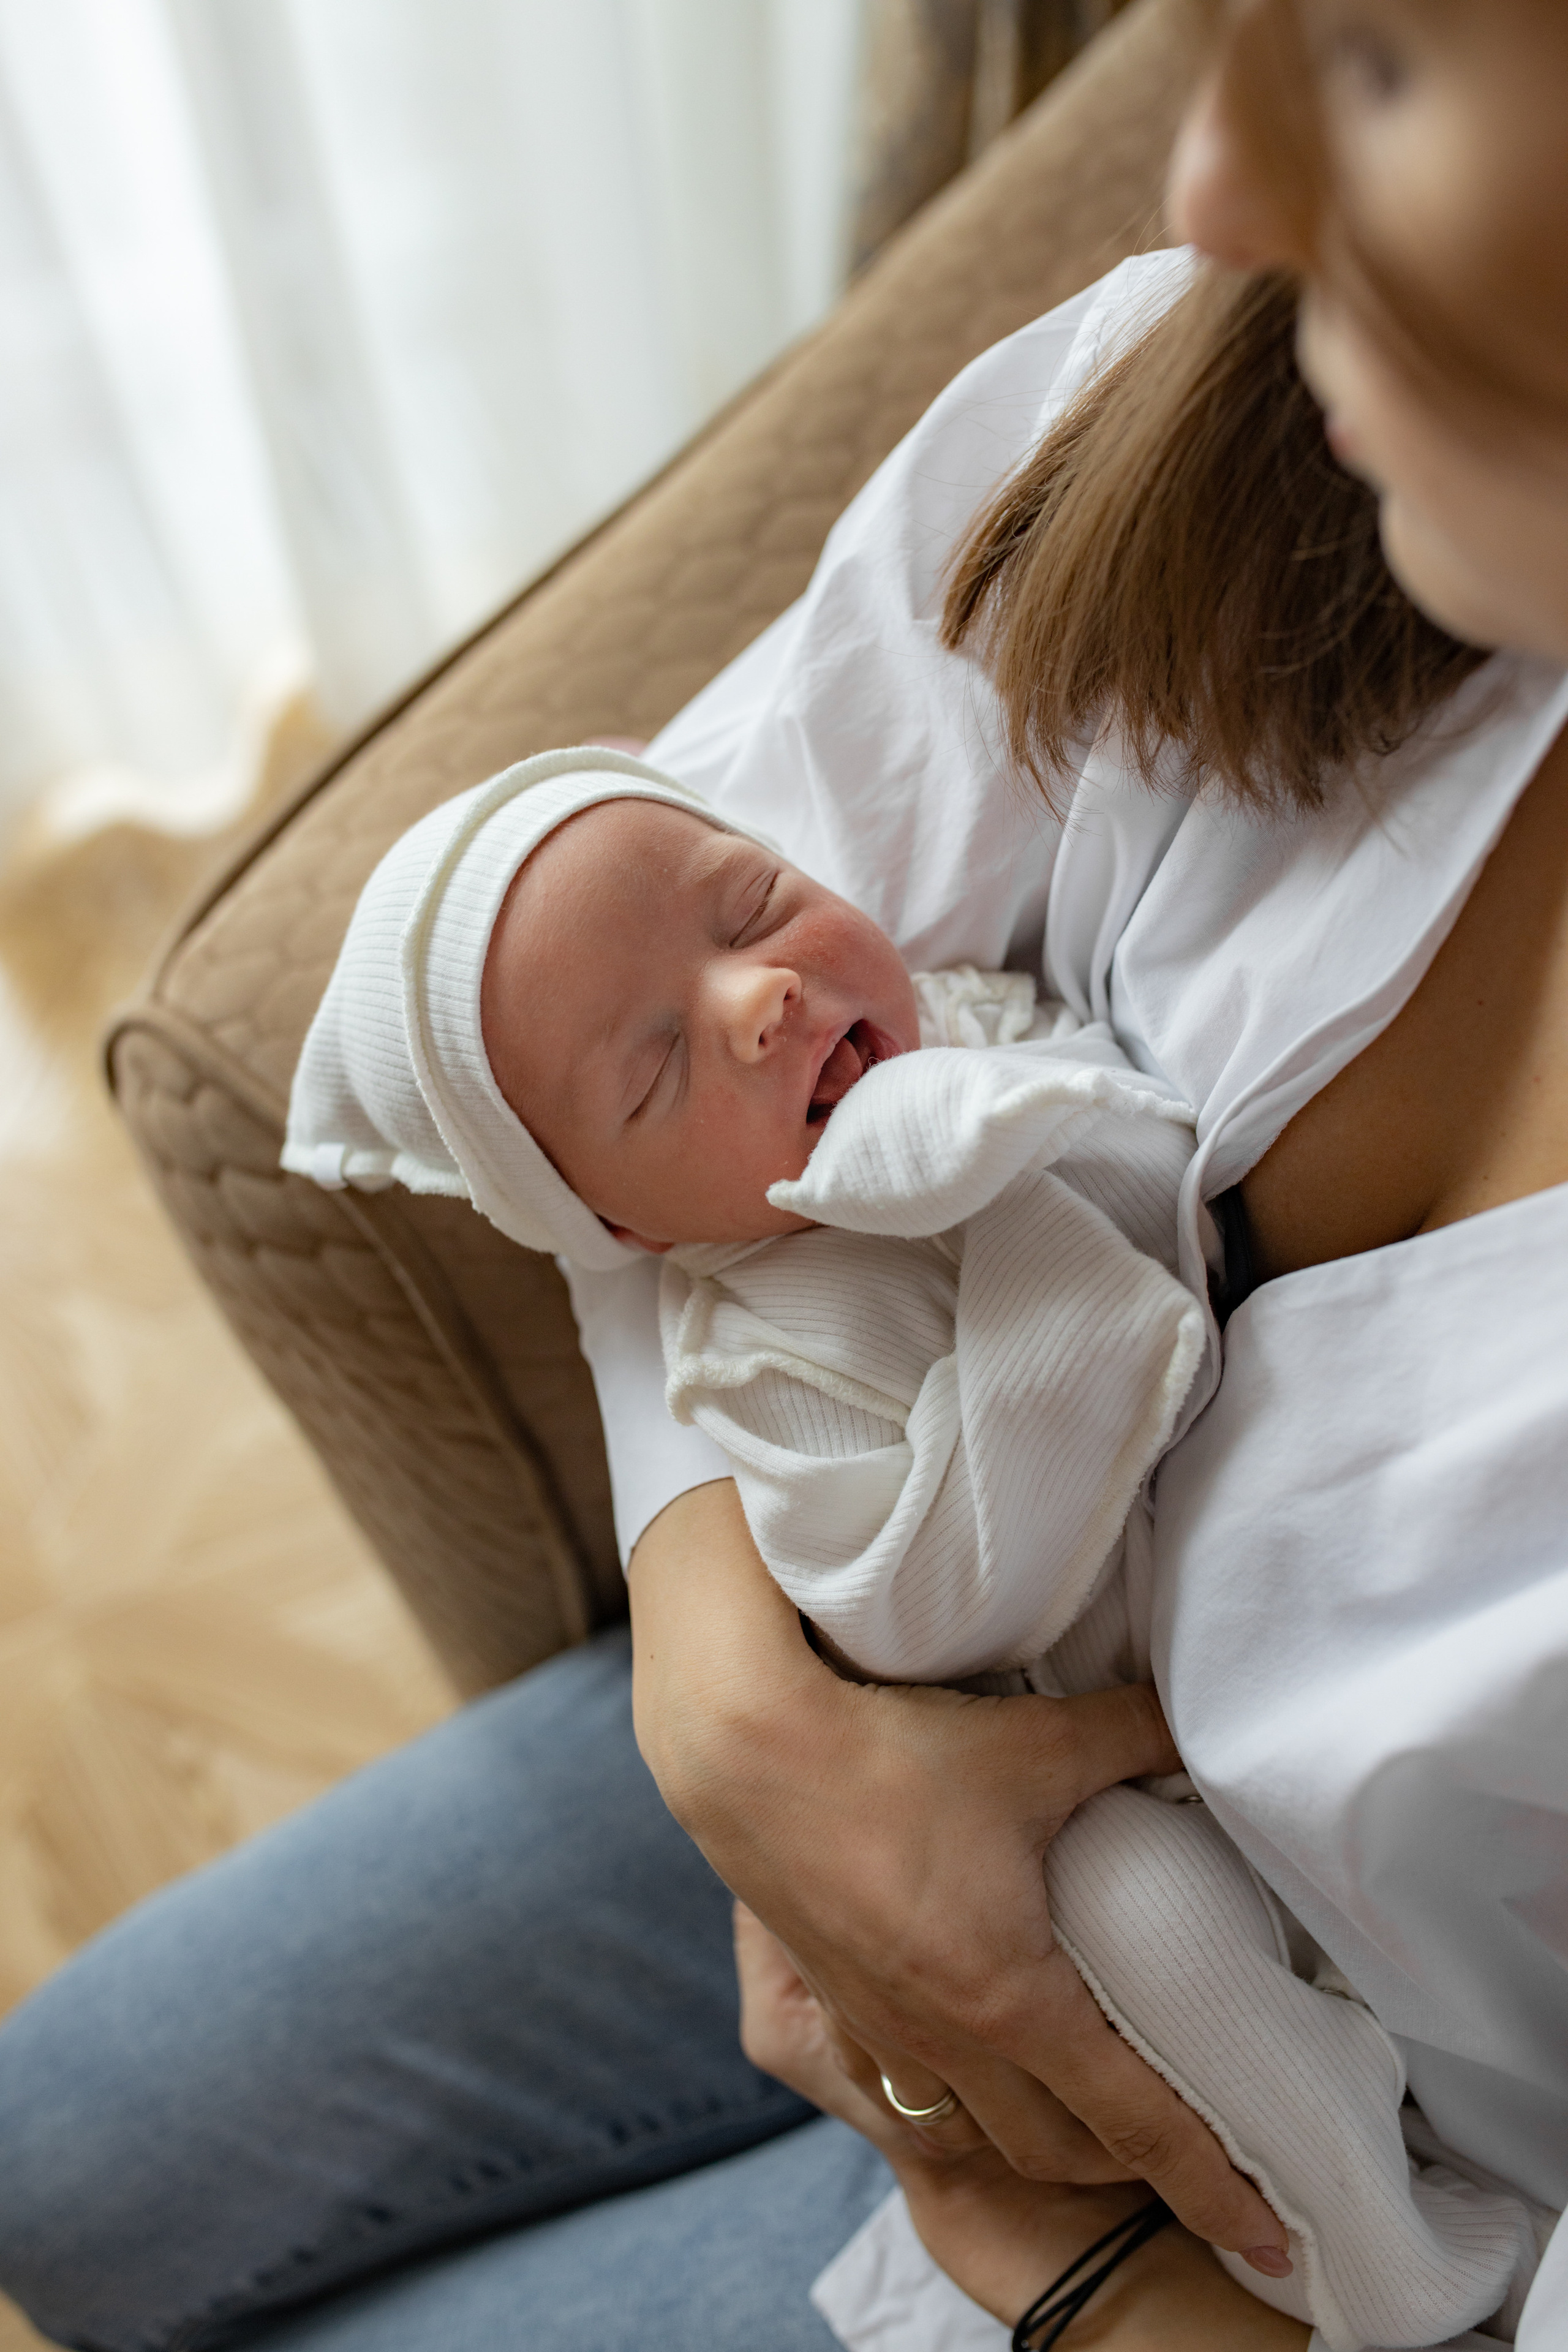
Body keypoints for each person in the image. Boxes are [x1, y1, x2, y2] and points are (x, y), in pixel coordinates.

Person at [0, 1, 1564, 2345]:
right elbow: (650, 973)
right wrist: (747, 1720)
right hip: (888, 1714)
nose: (1202, 180)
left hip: (1298, 2192)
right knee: (68, 2161)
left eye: (1377, 59)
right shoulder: (1255, 407)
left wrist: (1104, 2292)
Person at [285, 737, 1531, 2344]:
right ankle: (1385, 2266)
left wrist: (992, 1129)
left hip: (1276, 1746)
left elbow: (1147, 1153)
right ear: (626, 1236)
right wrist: (1004, 1198)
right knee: (1148, 1924)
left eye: (757, 903)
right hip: (1036, 1774)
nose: (760, 998)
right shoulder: (756, 1342)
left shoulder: (976, 1024)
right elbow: (933, 1589)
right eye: (658, 1070)